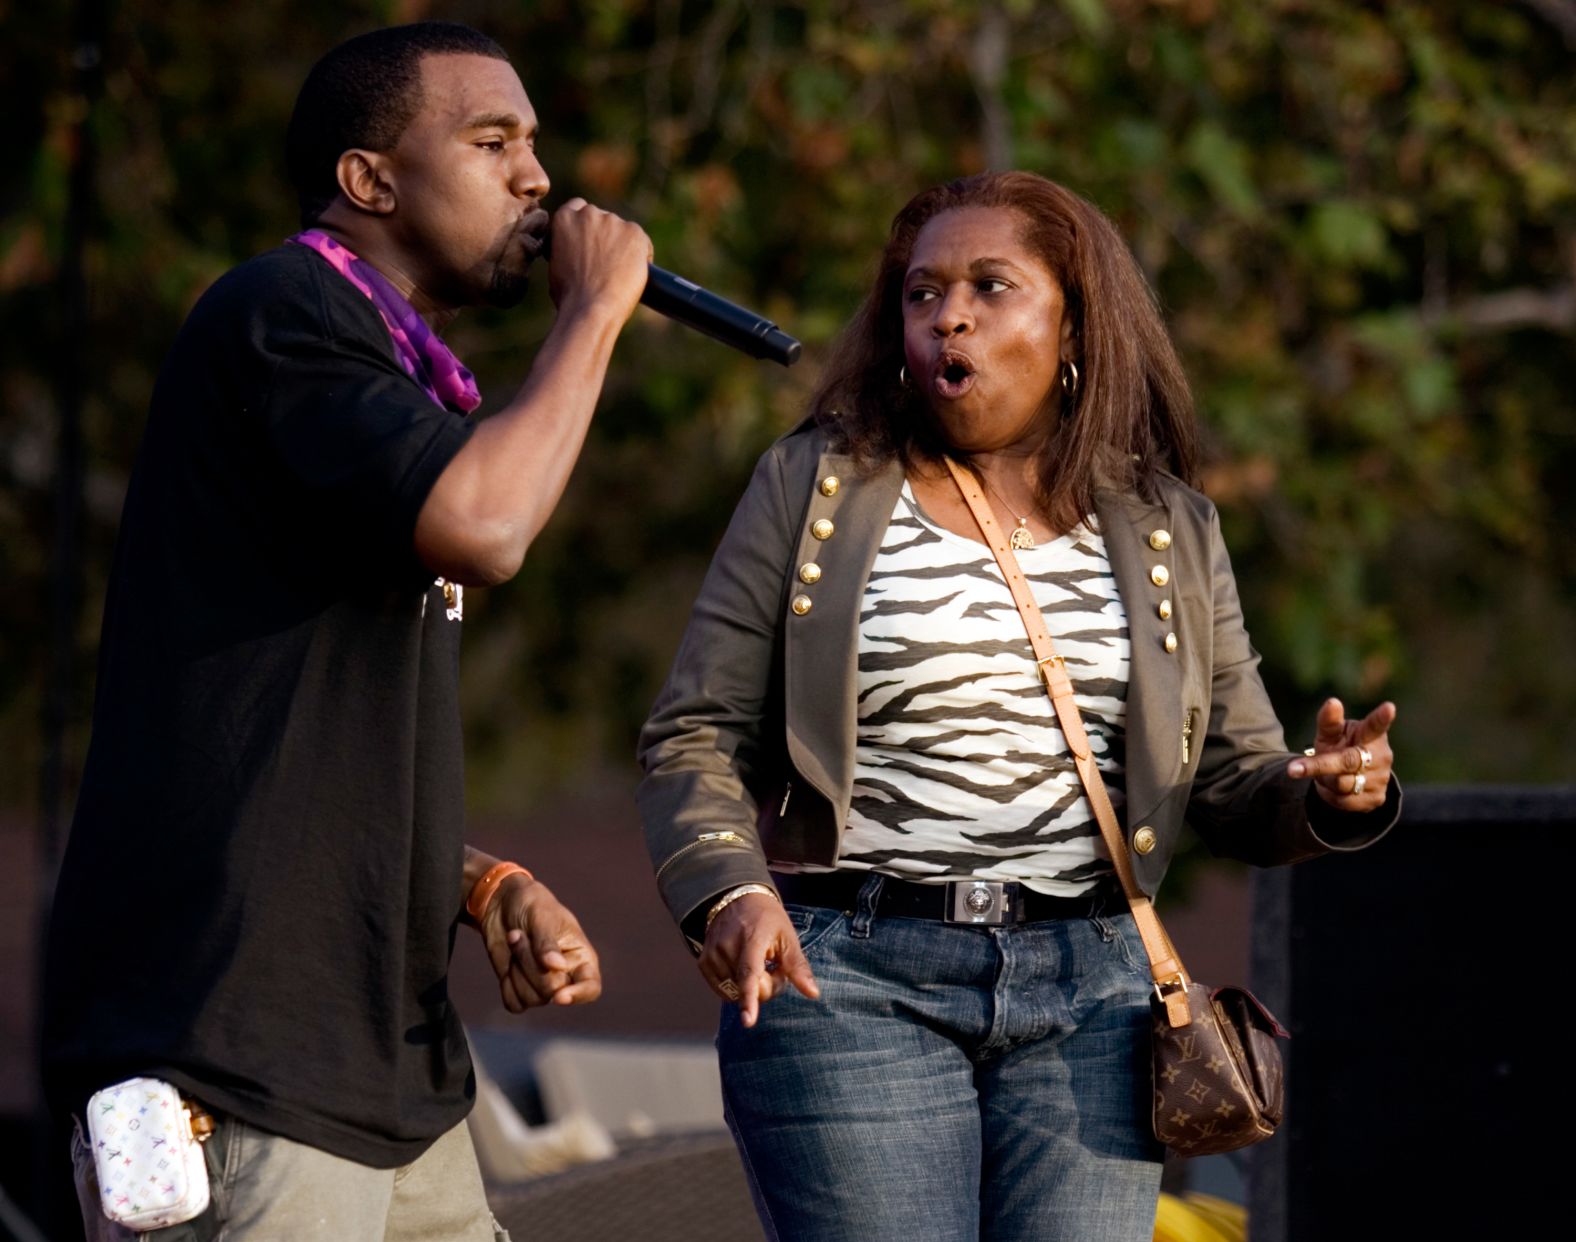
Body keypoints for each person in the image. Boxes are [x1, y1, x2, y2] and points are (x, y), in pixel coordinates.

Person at [637, 171, 1401, 1241]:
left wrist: (1329, 793)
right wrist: (727, 892)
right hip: (848, 982)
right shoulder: (814, 485)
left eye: (990, 287)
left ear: (1075, 325)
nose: (946, 314)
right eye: (920, 293)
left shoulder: (1166, 524)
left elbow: (1230, 785)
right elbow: (695, 734)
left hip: (1094, 995)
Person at [43, 21, 652, 1242]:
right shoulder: (279, 312)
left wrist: (482, 886)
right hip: (242, 1063)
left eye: (534, 142)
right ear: (370, 180)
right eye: (492, 141)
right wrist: (593, 316)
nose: (537, 176)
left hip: (390, 1084)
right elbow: (486, 525)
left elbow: (299, 754)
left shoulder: (384, 379)